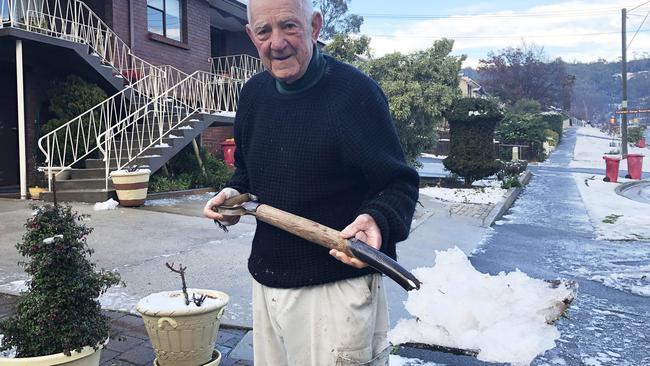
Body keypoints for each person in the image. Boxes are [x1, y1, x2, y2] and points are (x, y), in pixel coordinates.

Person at [203, 0, 419, 364]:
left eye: (289, 26)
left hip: (336, 291)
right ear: (250, 36)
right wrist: (232, 194)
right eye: (263, 31)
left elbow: (398, 184)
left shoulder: (354, 94)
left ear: (315, 26)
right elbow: (246, 170)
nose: (276, 43)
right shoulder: (253, 95)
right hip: (268, 283)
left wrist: (377, 219)